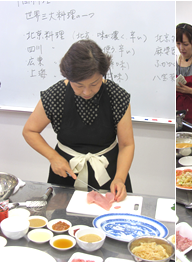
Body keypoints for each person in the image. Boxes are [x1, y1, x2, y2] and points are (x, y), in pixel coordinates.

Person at [22, 39, 134, 201]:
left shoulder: (116, 96)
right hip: (66, 172)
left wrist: (120, 178)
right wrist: (53, 157)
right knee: (63, 221)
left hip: (109, 173)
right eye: (79, 85)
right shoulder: (56, 95)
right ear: (68, 77)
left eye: (94, 84)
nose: (87, 92)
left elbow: (126, 144)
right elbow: (29, 131)